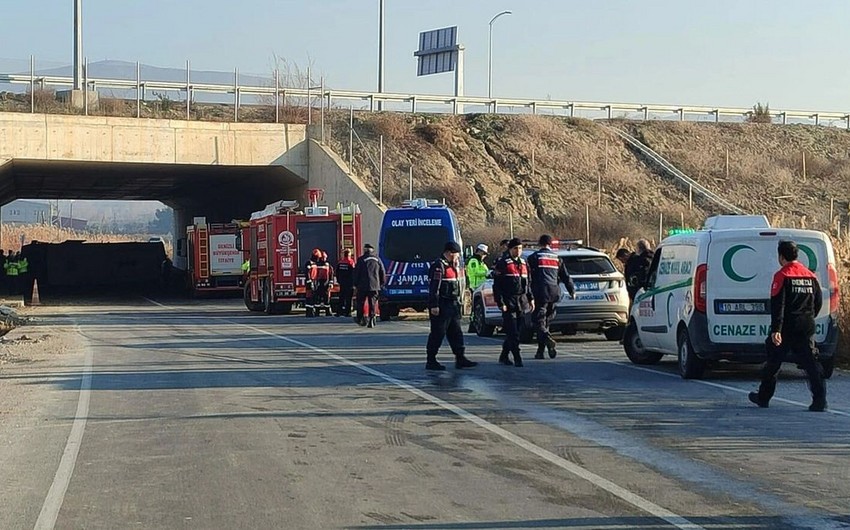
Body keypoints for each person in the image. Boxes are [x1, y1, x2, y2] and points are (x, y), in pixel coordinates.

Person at [749, 240, 826, 412]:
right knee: (811, 364)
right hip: (806, 325)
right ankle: (820, 400)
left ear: (781, 256)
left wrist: (776, 330)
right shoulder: (810, 275)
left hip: (786, 327)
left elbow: (778, 305)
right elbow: (818, 301)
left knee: (773, 363)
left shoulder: (782, 275)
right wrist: (808, 317)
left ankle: (763, 397)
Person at [425, 241, 478, 371]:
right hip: (442, 304)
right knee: (438, 333)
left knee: (456, 333)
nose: (458, 257)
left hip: (454, 304)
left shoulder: (454, 266)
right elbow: (434, 288)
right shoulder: (439, 266)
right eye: (456, 254)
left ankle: (460, 358)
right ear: (449, 253)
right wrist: (434, 305)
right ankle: (431, 360)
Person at [527, 235, 575, 359]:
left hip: (540, 292)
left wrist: (528, 294)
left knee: (538, 321)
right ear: (550, 244)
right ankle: (541, 351)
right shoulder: (557, 258)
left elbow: (528, 277)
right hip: (554, 292)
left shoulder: (534, 257)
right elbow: (565, 276)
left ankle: (547, 338)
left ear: (539, 243)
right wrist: (571, 290)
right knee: (546, 321)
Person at [492, 238, 534, 367]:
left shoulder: (524, 263)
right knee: (512, 331)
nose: (518, 251)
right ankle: (517, 357)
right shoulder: (503, 263)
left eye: (520, 248)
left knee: (518, 331)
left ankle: (504, 355)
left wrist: (531, 298)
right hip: (508, 300)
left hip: (521, 301)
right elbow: (497, 286)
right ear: (510, 249)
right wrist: (500, 302)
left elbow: (528, 283)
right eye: (515, 248)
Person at [353, 243, 386, 328]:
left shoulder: (361, 259)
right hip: (375, 285)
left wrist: (355, 284)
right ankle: (372, 318)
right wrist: (381, 283)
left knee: (360, 302)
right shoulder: (377, 259)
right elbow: (382, 272)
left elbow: (357, 273)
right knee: (372, 302)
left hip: (362, 285)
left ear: (365, 250)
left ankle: (361, 319)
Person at [465, 243, 490, 333]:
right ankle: (473, 325)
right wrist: (486, 273)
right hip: (475, 286)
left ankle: (474, 324)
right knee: (474, 308)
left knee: (477, 307)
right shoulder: (473, 261)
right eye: (483, 253)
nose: (484, 256)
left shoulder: (481, 262)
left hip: (481, 287)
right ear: (479, 252)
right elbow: (475, 272)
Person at [308, 249, 334, 317]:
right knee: (318, 298)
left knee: (326, 298)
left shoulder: (327, 265)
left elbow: (331, 274)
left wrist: (331, 283)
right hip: (320, 283)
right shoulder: (316, 265)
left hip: (325, 283)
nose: (325, 259)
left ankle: (326, 311)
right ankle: (318, 311)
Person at [335, 248, 356, 317]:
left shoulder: (340, 262)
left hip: (342, 283)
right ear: (349, 255)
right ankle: (347, 312)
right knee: (348, 298)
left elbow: (337, 272)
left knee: (341, 297)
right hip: (349, 283)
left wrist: (339, 280)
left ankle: (339, 312)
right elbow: (353, 273)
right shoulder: (351, 262)